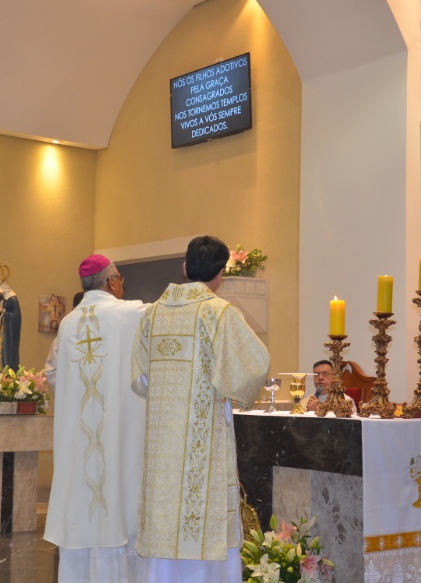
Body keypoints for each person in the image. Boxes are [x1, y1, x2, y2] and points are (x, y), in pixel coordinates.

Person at [132, 235, 270, 582]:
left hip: (163, 451)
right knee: (205, 528)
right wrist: (232, 392)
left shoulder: (152, 315)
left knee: (165, 528)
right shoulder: (219, 313)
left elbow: (139, 378)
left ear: (184, 267)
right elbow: (255, 365)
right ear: (220, 274)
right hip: (202, 447)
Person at [43, 256, 148, 583]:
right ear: (111, 281)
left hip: (78, 443)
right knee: (117, 503)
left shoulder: (69, 323)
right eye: (120, 279)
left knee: (81, 507)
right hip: (117, 438)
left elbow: (53, 376)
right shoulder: (130, 313)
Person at [42, 291, 84, 392]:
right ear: (73, 309)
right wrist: (68, 390)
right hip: (70, 394)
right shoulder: (63, 337)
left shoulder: (100, 335)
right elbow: (51, 370)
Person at [0, 277, 21, 369]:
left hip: (9, 330)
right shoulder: (3, 299)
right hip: (1, 329)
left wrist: (4, 313)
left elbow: (15, 315)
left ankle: (7, 369)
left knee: (8, 350)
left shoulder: (12, 299)